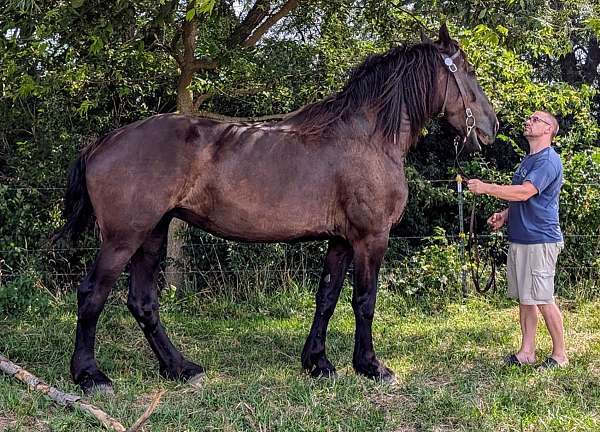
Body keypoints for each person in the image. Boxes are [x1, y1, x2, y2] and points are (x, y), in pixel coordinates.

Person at [467, 110, 567, 368]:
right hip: (522, 239)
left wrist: (486, 187)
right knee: (526, 298)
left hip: (540, 240)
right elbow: (527, 200)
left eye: (535, 119)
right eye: (529, 117)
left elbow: (525, 192)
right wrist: (504, 215)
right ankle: (527, 352)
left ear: (548, 130)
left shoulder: (547, 160)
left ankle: (560, 355)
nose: (528, 121)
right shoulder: (528, 161)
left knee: (543, 298)